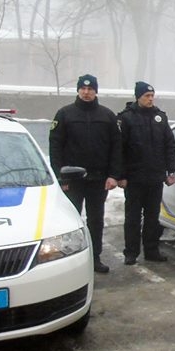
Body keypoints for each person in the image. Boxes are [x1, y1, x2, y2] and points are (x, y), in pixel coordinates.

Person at [49, 74, 121, 273]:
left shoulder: (107, 116)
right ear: (78, 90)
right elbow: (55, 148)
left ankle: (94, 257)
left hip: (99, 179)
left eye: (90, 89)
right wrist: (60, 177)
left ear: (96, 91)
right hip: (72, 180)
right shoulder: (65, 114)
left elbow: (116, 148)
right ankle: (68, 261)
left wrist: (113, 175)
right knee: (70, 221)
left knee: (96, 219)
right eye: (83, 89)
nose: (87, 92)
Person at [117, 81, 175, 264]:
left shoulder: (160, 117)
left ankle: (152, 250)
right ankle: (131, 252)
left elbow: (169, 145)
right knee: (133, 218)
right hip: (134, 178)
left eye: (152, 96)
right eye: (147, 96)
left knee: (153, 217)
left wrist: (171, 170)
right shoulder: (126, 118)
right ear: (138, 97)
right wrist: (121, 175)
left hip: (155, 177)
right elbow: (119, 149)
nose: (150, 99)